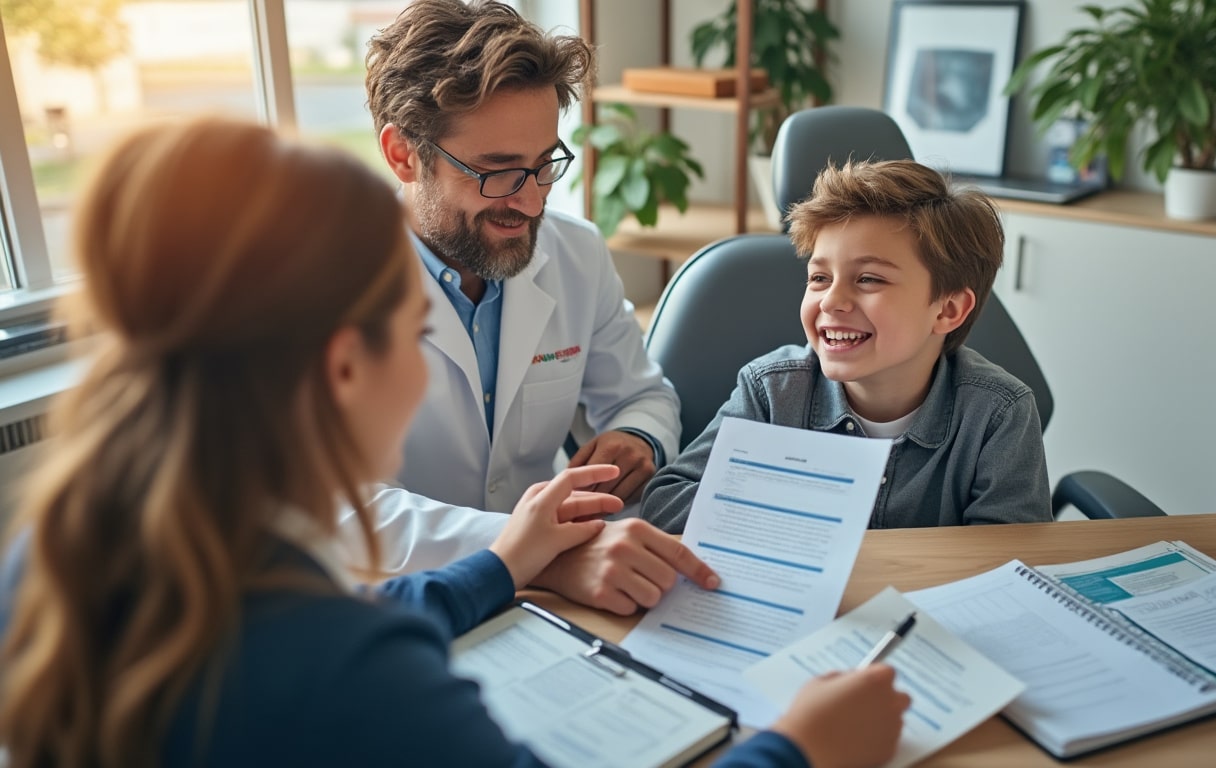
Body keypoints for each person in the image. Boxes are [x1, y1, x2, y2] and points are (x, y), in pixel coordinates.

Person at [0, 119, 910, 768]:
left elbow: (346, 623)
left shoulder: (63, 546)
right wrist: (802, 750)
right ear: (344, 364)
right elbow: (340, 652)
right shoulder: (351, 676)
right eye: (409, 324)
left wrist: (507, 565)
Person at [354, 0, 711, 614]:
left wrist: (637, 439)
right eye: (497, 172)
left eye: (545, 164)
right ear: (403, 155)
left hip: (552, 602)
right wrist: (530, 553)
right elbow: (332, 506)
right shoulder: (321, 284)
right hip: (396, 607)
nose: (530, 201)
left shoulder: (576, 253)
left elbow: (640, 395)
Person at [641, 159, 1052, 533]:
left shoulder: (998, 415)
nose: (832, 301)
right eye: (819, 278)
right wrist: (793, 498)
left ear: (947, 310)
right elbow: (666, 503)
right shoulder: (771, 392)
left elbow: (1010, 558)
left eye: (869, 279)